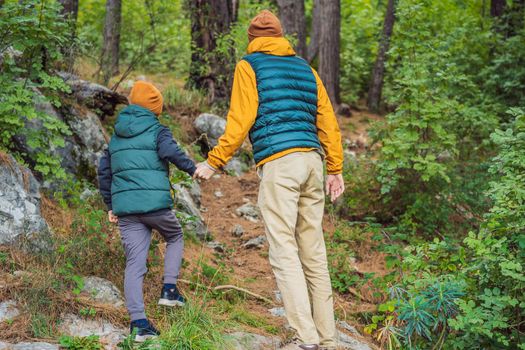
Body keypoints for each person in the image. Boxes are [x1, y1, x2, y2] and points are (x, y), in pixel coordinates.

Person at [193, 10, 345, 350]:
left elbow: (240, 118)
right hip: (312, 162)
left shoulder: (250, 65)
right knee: (314, 250)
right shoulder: (306, 69)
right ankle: (329, 339)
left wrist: (214, 161)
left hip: (281, 163)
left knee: (283, 248)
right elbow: (328, 122)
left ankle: (305, 338)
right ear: (280, 37)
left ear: (253, 39)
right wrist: (335, 169)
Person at [98, 81, 196, 342]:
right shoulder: (157, 130)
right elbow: (170, 152)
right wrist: (193, 169)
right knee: (174, 236)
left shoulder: (116, 136)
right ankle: (169, 290)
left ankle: (139, 324)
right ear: (155, 108)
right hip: (155, 206)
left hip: (127, 212)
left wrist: (110, 205)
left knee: (134, 264)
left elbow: (104, 171)